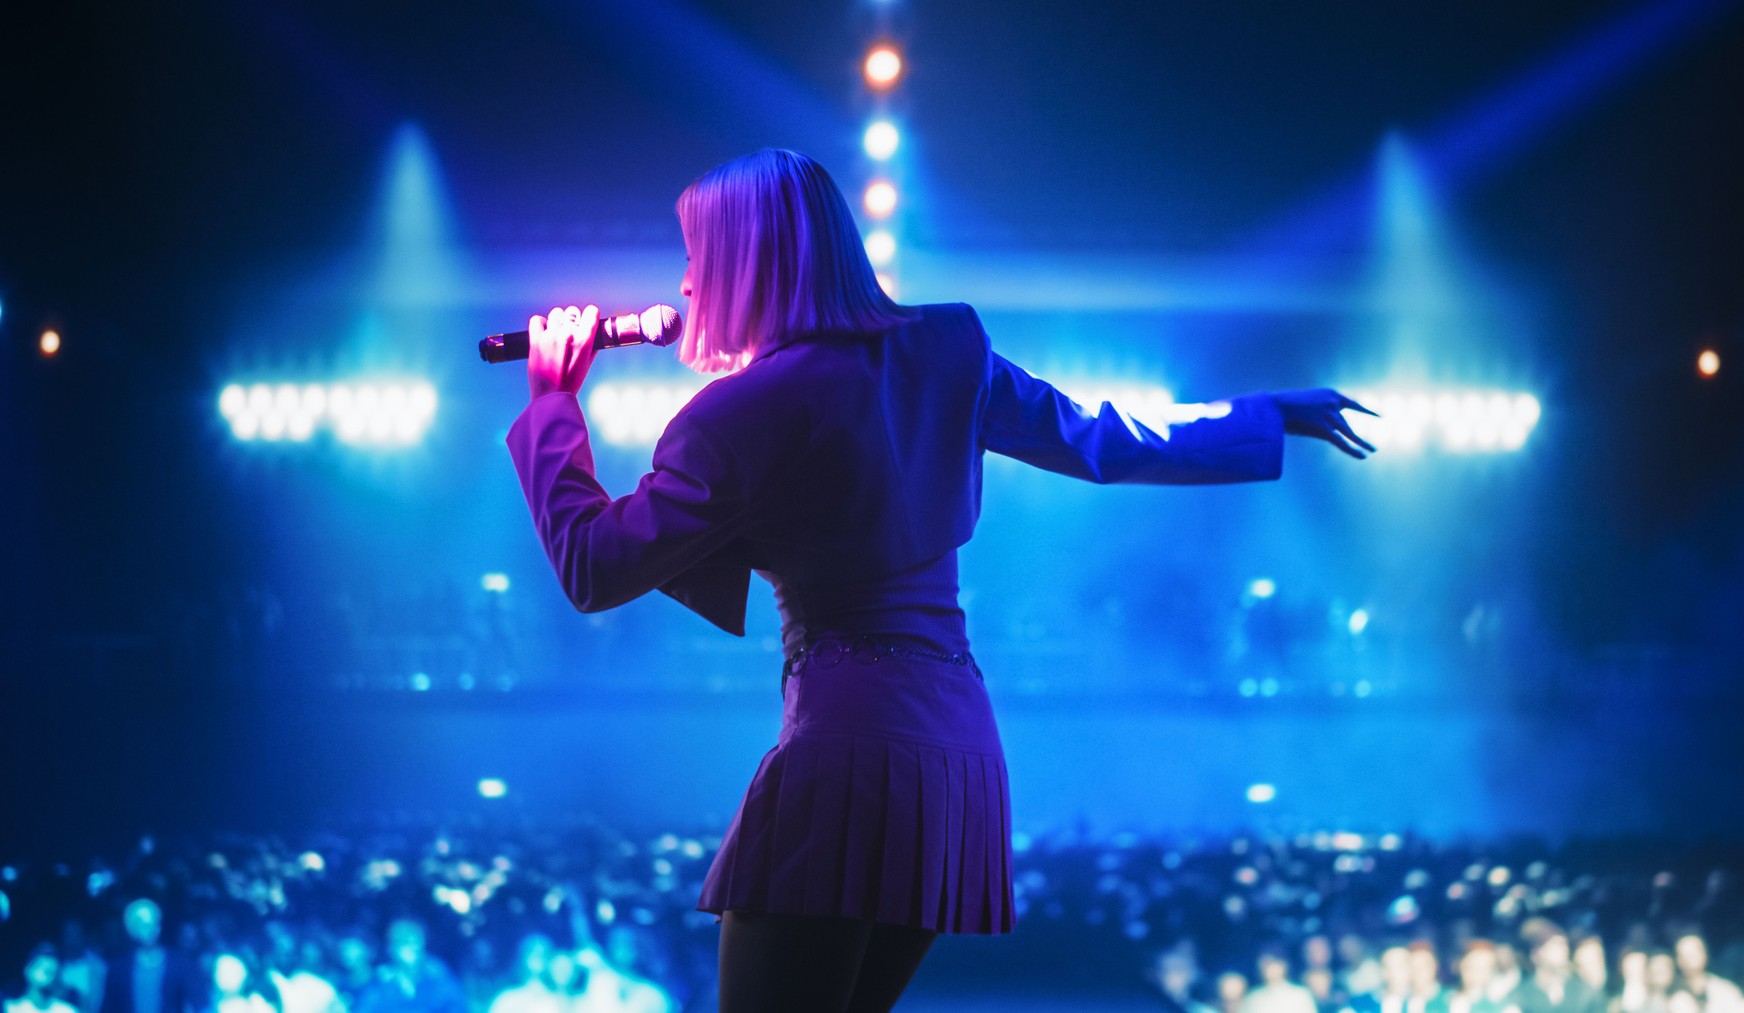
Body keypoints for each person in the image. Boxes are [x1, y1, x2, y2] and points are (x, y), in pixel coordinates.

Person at [507, 148, 1375, 1013]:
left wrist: (552, 403)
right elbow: (1101, 437)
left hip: (846, 749)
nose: (687, 283)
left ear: (746, 260)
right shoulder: (945, 349)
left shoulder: (733, 415)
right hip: (957, 750)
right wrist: (1260, 416)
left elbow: (595, 565)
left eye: (697, 254)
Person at [102, 900, 197, 1013]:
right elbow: (108, 1007)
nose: (151, 930)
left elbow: (196, 1002)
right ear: (132, 929)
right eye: (144, 925)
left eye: (154, 923)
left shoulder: (179, 965)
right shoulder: (118, 969)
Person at [9, 945, 80, 1013]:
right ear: (27, 969)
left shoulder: (67, 1011)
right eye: (45, 971)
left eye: (53, 973)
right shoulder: (12, 1009)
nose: (50, 978)